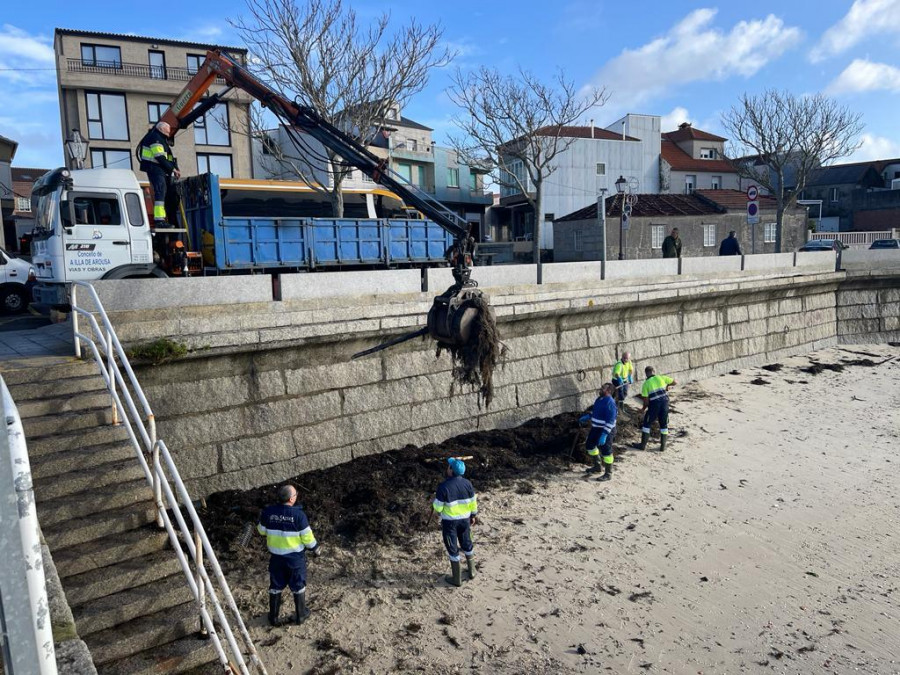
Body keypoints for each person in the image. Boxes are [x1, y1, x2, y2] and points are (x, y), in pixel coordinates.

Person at [257, 484, 321, 626]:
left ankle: (273, 617)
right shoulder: (298, 515)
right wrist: (315, 548)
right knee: (298, 585)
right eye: (296, 494)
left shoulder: (268, 512)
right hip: (294, 559)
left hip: (276, 558)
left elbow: (261, 531)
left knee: (275, 585)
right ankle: (301, 615)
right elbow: (307, 538)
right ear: (292, 499)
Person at [432, 458, 478, 587]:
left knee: (452, 547)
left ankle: (456, 579)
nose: (447, 468)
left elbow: (438, 508)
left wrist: (435, 502)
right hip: (465, 521)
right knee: (467, 542)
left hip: (450, 523)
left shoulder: (443, 486)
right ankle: (472, 571)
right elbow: (473, 502)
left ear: (451, 471)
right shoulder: (468, 484)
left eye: (448, 466)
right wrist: (473, 515)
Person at [137, 121, 180, 226]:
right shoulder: (155, 138)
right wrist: (173, 169)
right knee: (160, 192)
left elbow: (168, 157)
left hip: (158, 169)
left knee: (163, 192)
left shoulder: (161, 139)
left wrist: (174, 167)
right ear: (161, 129)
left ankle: (161, 219)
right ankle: (159, 220)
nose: (169, 134)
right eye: (167, 131)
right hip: (154, 168)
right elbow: (159, 156)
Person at [579, 382, 618, 481]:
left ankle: (608, 473)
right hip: (596, 428)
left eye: (603, 388)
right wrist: (589, 416)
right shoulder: (599, 399)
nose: (600, 389)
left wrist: (605, 434)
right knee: (589, 445)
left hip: (606, 430)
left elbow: (611, 420)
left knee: (606, 450)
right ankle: (597, 466)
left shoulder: (610, 402)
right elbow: (597, 411)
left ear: (609, 391)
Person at [634, 366, 677, 452]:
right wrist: (667, 386)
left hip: (654, 406)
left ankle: (642, 445)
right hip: (665, 404)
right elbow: (675, 382)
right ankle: (663, 446)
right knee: (664, 424)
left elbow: (646, 402)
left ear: (646, 374)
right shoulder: (661, 377)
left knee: (647, 423)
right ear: (654, 371)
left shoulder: (646, 384)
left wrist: (642, 409)